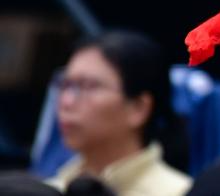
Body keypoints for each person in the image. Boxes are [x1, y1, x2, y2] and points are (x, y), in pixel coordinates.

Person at [48, 30, 192, 195]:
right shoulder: (51, 189)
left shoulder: (181, 193)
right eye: (65, 85)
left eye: (89, 86)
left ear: (138, 108)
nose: (67, 102)